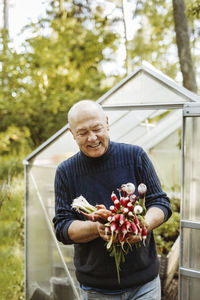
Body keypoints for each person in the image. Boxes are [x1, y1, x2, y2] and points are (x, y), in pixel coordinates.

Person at [53, 100, 172, 300]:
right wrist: (97, 228)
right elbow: (62, 228)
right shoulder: (65, 172)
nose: (92, 138)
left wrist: (141, 226)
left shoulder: (135, 156)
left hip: (144, 285)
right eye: (82, 133)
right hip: (95, 289)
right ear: (71, 133)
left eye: (97, 129)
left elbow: (160, 203)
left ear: (107, 123)